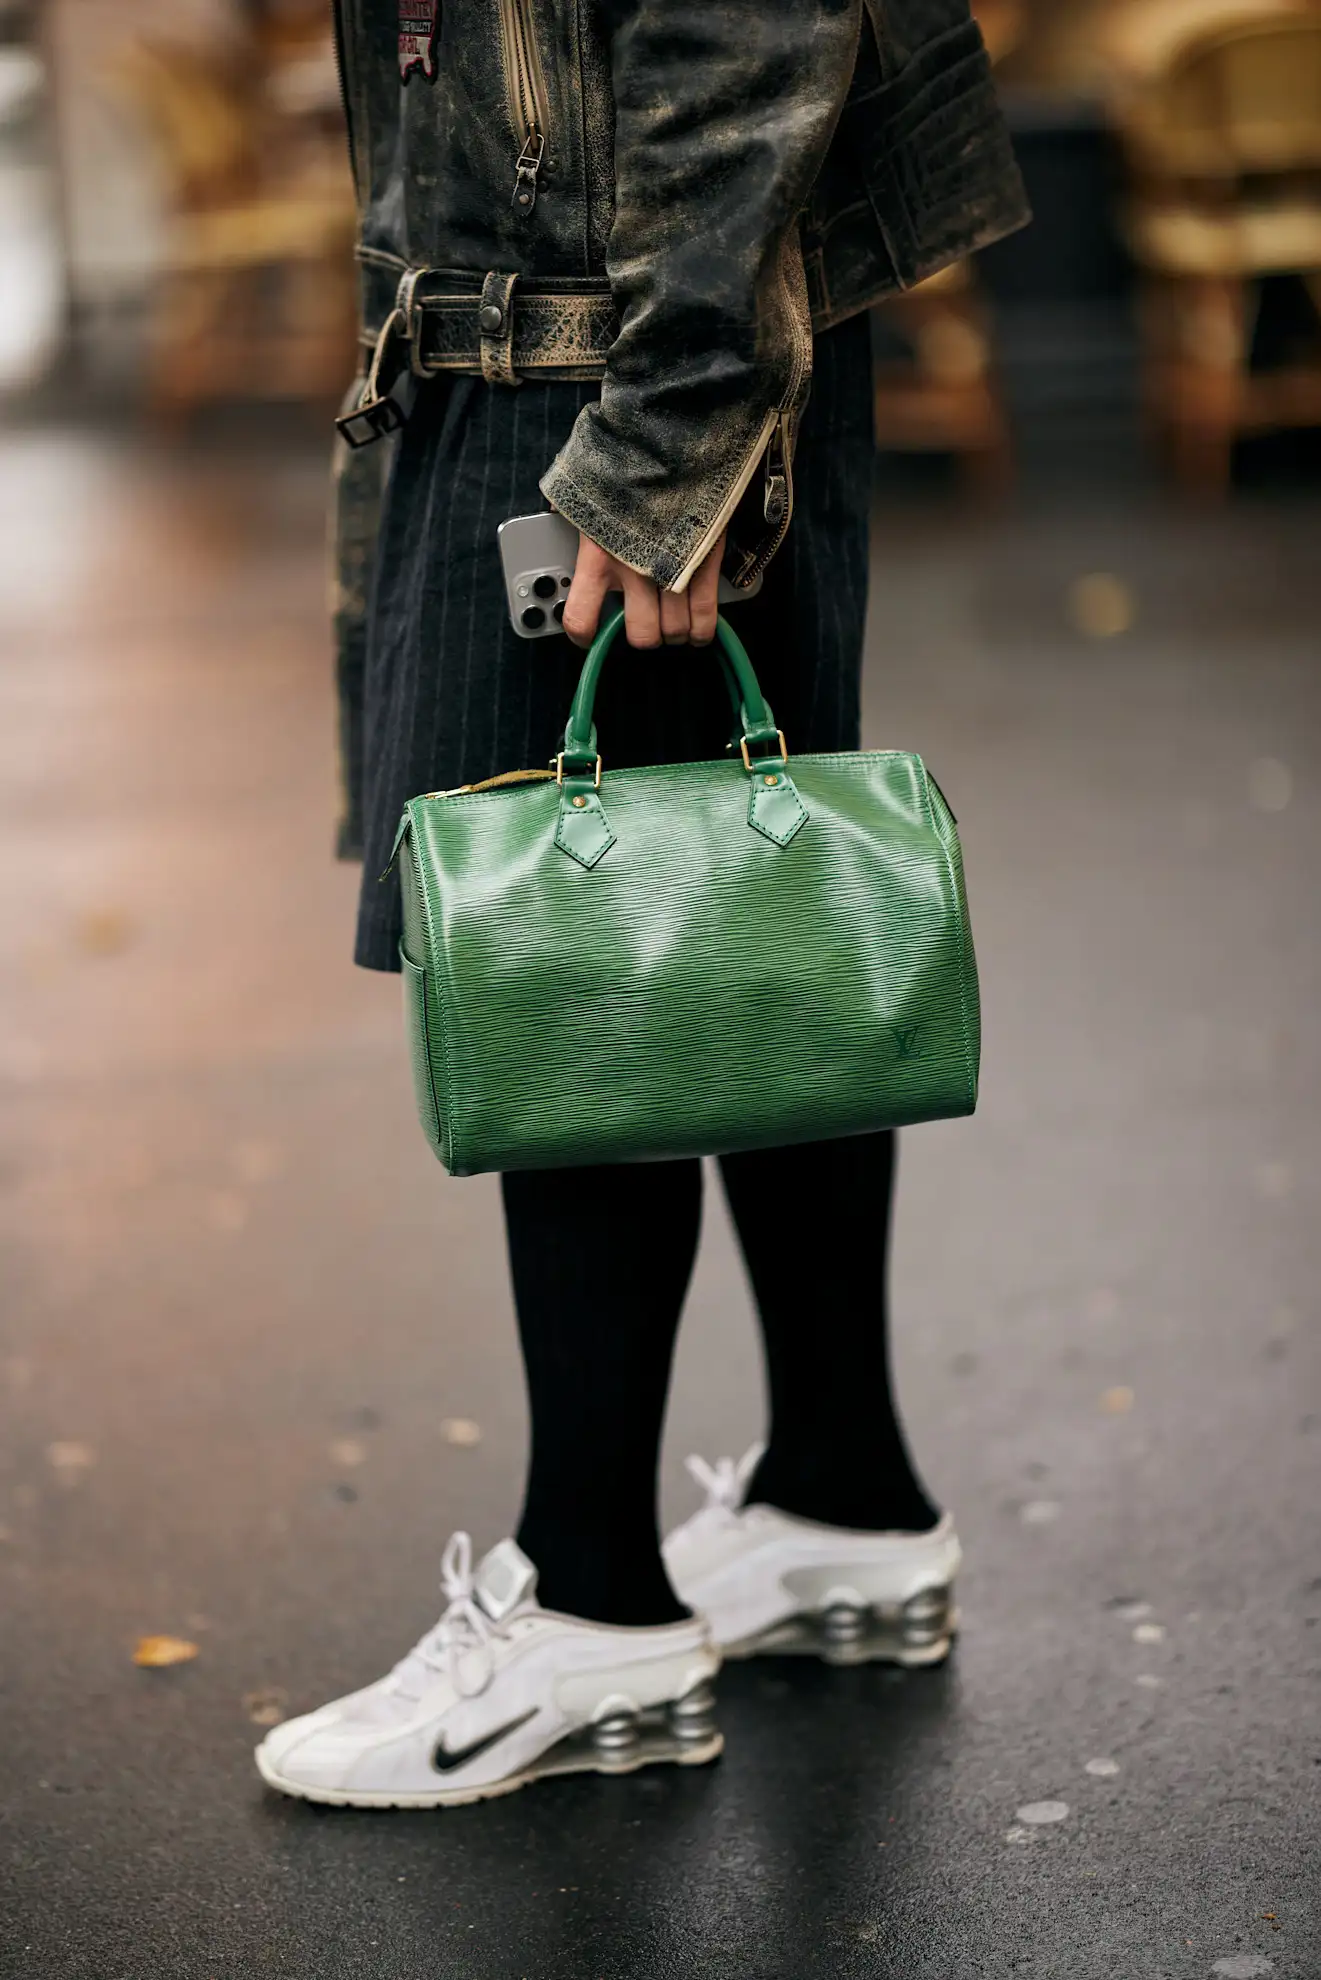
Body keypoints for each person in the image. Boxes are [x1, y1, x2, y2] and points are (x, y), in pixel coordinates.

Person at [255, 0, 1027, 1808]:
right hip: (623, 313)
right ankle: (843, 1496)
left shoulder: (643, 380)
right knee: (744, 900)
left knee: (580, 939)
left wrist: (670, 427)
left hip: (605, 349)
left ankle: (592, 1608)